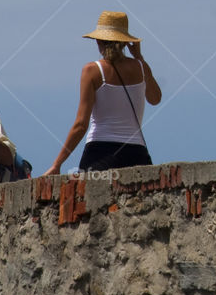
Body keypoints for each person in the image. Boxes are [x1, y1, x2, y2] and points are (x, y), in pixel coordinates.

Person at [43, 11, 161, 176]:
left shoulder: (92, 71)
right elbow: (155, 99)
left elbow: (81, 125)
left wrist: (57, 164)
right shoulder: (140, 67)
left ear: (98, 41)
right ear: (126, 42)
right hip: (136, 153)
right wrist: (139, 57)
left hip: (101, 151)